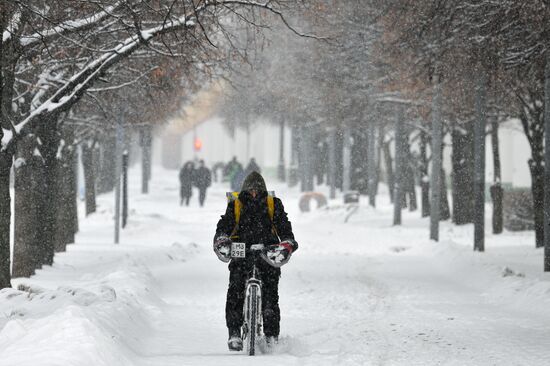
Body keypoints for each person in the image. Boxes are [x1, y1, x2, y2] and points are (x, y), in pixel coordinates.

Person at [213, 172, 298, 351]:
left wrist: (287, 242)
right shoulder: (235, 205)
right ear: (245, 190)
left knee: (270, 296)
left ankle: (271, 336)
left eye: (257, 190)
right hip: (241, 252)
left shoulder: (273, 204)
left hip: (267, 253)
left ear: (263, 190)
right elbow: (225, 225)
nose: (253, 193)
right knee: (235, 289)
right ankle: (234, 332)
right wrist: (221, 239)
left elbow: (284, 226)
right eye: (250, 190)